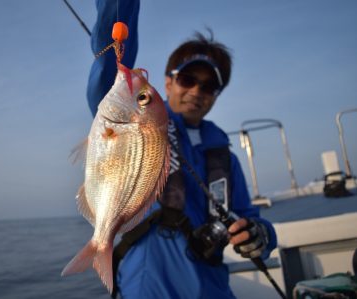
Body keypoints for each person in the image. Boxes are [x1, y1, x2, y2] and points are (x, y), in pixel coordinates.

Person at [86, 1, 277, 298]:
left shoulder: (226, 158)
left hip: (215, 289)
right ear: (168, 81)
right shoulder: (138, 120)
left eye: (209, 86)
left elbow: (249, 215)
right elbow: (110, 63)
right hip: (149, 289)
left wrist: (261, 234)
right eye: (187, 79)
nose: (196, 91)